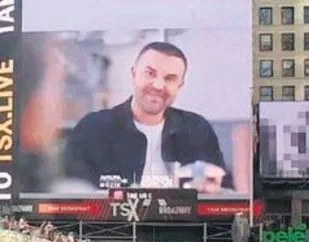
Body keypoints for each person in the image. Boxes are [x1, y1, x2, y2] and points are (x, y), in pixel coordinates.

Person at [61, 41, 229, 193]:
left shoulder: (196, 129)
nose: (158, 85)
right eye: (150, 73)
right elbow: (69, 191)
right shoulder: (93, 128)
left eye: (170, 78)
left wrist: (210, 187)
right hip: (111, 225)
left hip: (183, 226)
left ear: (180, 85)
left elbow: (224, 189)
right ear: (134, 74)